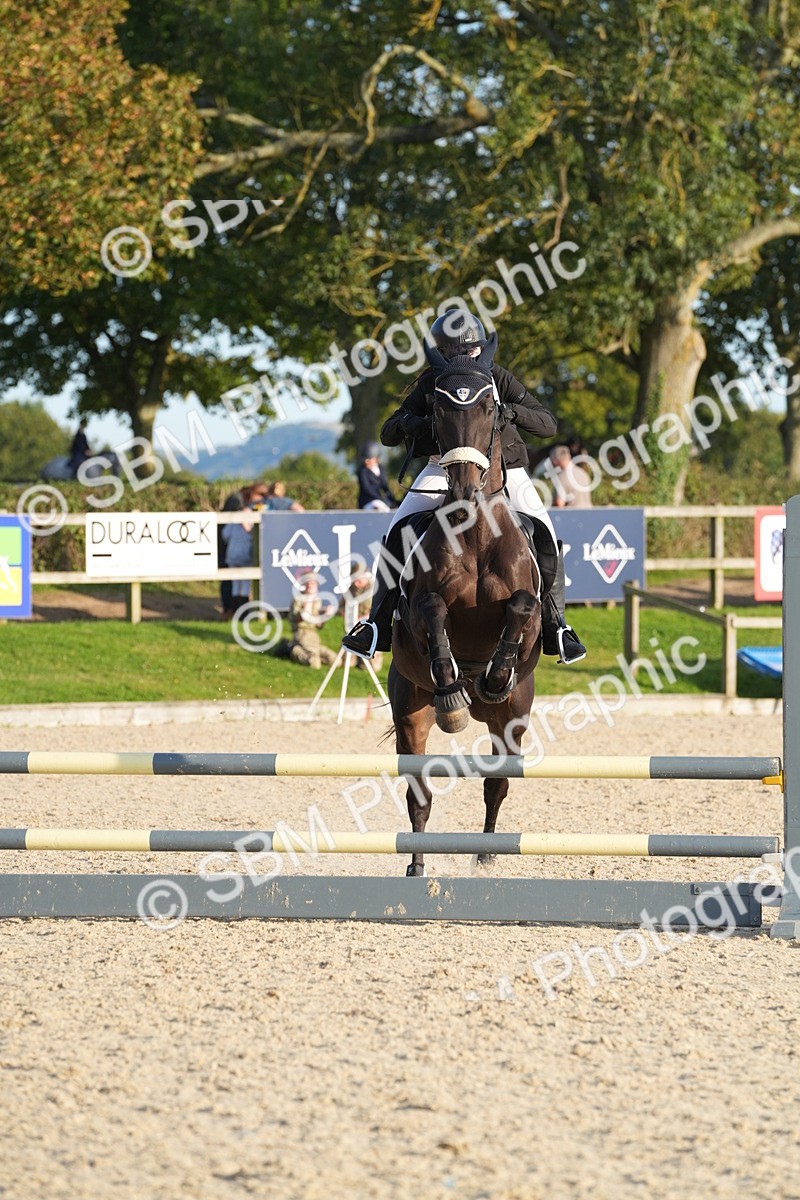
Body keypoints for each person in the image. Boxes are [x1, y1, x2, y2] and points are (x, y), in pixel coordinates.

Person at [341, 308, 587, 664]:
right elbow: (388, 431)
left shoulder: (497, 378)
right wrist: (414, 423)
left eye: (471, 352)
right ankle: (376, 624)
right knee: (397, 532)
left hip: (503, 469)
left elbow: (547, 424)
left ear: (480, 351)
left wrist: (513, 413)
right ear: (443, 354)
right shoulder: (430, 382)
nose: (467, 359)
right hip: (441, 468)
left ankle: (557, 625)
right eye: (458, 353)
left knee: (545, 532)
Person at [220, 483, 269, 617]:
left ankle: (235, 610)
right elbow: (253, 534)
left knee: (236, 584)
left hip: (232, 554)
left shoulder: (233, 519)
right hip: (245, 555)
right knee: (245, 585)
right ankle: (244, 613)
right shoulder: (253, 519)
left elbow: (225, 534)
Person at [276, 570, 337, 668]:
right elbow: (297, 618)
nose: (310, 585)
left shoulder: (317, 600)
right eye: (308, 583)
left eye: (313, 583)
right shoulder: (298, 599)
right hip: (301, 634)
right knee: (314, 664)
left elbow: (318, 625)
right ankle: (291, 648)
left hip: (313, 637)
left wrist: (325, 615)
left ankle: (297, 649)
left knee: (335, 660)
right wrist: (307, 602)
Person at [549, 445, 594, 509]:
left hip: (572, 516)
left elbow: (559, 503)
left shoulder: (562, 477)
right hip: (589, 513)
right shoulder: (583, 473)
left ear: (555, 460)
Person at [356, 441, 397, 512]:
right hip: (368, 500)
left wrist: (391, 498)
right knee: (378, 507)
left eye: (369, 459)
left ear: (376, 458)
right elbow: (367, 488)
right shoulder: (362, 471)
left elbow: (384, 485)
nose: (366, 461)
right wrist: (380, 498)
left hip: (379, 499)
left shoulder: (381, 469)